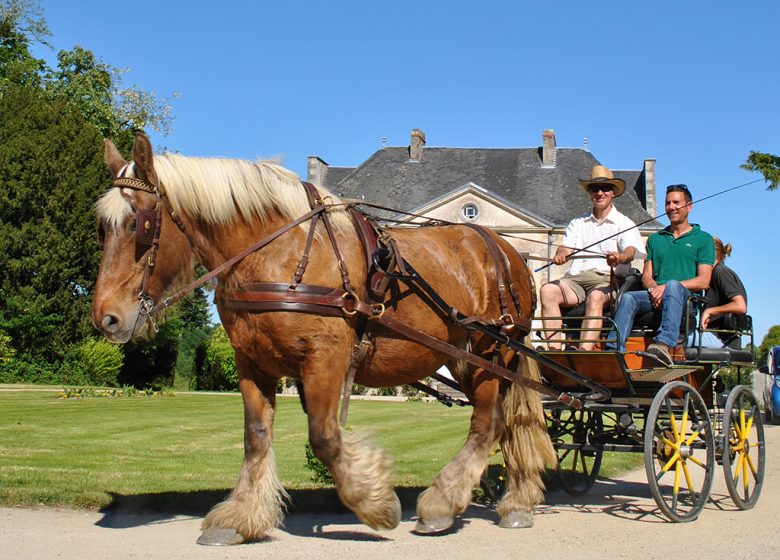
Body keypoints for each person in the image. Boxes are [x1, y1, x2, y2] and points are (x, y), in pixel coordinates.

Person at [540, 165, 645, 351]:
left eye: (605, 188)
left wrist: (619, 257)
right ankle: (555, 351)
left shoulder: (624, 223)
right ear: (589, 193)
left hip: (606, 280)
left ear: (613, 192)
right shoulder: (577, 223)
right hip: (575, 280)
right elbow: (566, 247)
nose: (600, 192)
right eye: (594, 188)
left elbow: (630, 251)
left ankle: (583, 352)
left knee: (596, 297)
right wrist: (561, 255)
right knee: (547, 290)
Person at [608, 184, 714, 366]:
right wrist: (654, 288)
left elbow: (703, 281)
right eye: (667, 203)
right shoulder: (655, 239)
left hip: (685, 300)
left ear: (689, 206)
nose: (671, 207)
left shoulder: (703, 239)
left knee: (673, 285)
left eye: (676, 203)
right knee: (629, 298)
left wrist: (665, 288)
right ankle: (613, 350)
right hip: (656, 295)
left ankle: (663, 344)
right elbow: (646, 276)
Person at [692, 236, 747, 348]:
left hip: (723, 340)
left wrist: (710, 311)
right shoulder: (711, 276)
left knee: (678, 337)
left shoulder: (720, 272)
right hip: (714, 337)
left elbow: (740, 306)